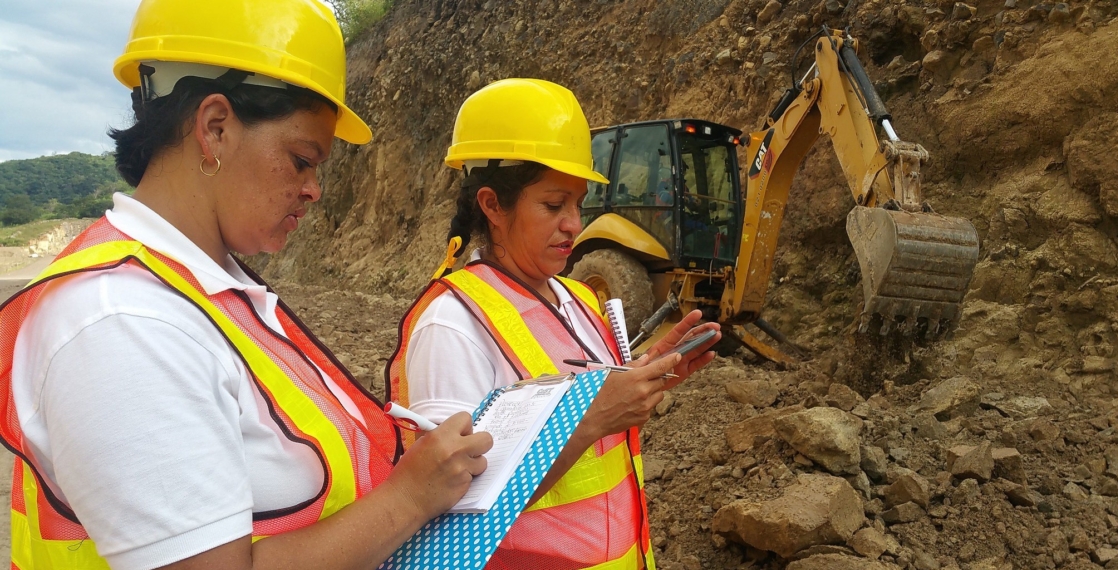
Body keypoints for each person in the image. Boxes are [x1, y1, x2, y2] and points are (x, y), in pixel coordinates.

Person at [0, 1, 492, 569]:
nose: (314, 190)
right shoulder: (121, 323)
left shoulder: (204, 287)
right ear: (215, 128)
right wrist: (410, 497)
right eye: (302, 160)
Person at [386, 78, 721, 570]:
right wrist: (593, 421)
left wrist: (646, 373)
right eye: (553, 205)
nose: (573, 224)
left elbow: (600, 409)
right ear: (492, 205)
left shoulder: (579, 298)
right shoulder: (452, 327)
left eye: (578, 204)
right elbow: (446, 508)